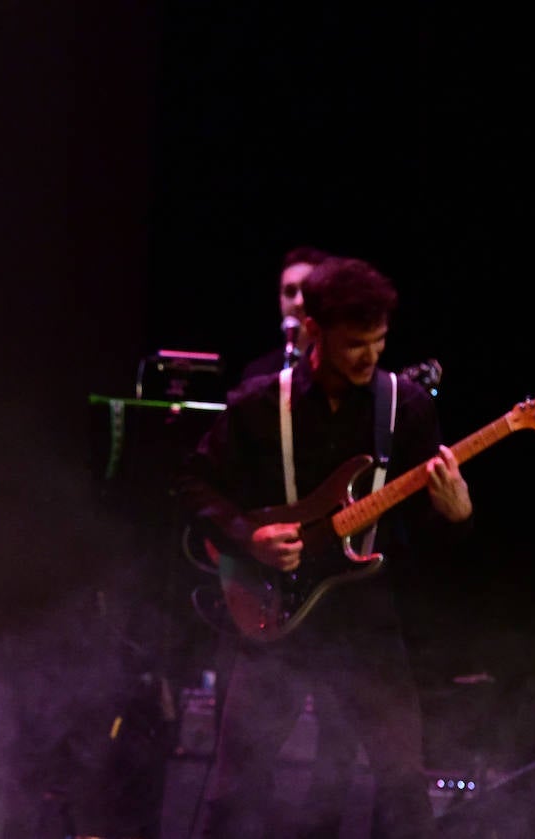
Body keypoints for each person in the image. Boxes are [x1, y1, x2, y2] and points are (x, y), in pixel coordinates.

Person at [177, 256, 472, 838]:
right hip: (272, 615)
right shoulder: (261, 403)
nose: (370, 356)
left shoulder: (406, 406)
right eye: (355, 343)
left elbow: (429, 535)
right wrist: (249, 537)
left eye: (379, 341)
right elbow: (191, 482)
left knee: (401, 784)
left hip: (366, 621)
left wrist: (456, 514)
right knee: (235, 788)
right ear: (314, 331)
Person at [238, 245, 333, 383]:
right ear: (280, 300)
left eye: (307, 291)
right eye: (290, 292)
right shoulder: (257, 373)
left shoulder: (343, 371)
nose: (299, 302)